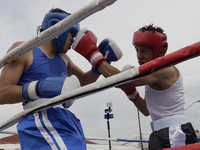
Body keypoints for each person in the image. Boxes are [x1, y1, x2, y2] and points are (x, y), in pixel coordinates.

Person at [0, 8, 122, 150]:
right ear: (56, 26)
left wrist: (99, 61)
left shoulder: (64, 59)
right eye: (72, 33)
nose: (74, 40)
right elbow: (2, 92)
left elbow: (84, 81)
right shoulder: (24, 49)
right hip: (40, 115)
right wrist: (41, 88)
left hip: (66, 118)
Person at [72, 24, 198, 150]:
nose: (139, 56)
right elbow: (146, 110)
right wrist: (131, 92)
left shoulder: (164, 70)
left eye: (144, 51)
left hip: (175, 133)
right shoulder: (153, 75)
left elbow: (121, 80)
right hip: (160, 132)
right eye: (137, 50)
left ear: (160, 51)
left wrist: (92, 54)